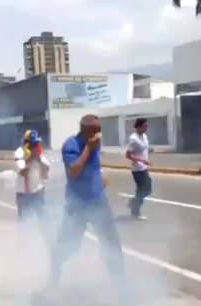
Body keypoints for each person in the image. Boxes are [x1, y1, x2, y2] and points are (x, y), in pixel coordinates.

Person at [46, 114, 132, 303]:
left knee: (111, 244)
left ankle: (123, 288)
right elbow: (74, 172)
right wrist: (88, 149)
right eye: (96, 130)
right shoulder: (71, 145)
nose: (100, 133)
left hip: (98, 201)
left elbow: (91, 166)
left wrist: (99, 177)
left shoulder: (95, 144)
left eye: (100, 129)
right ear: (86, 130)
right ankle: (52, 284)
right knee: (66, 246)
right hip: (77, 205)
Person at [14, 130, 50, 240]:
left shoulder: (39, 153)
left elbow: (46, 169)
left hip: (37, 190)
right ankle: (22, 243)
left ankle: (46, 241)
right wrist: (29, 159)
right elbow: (23, 172)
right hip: (23, 194)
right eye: (32, 144)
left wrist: (38, 159)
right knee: (23, 221)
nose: (35, 146)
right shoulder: (19, 153)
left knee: (43, 218)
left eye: (36, 144)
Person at [125, 118, 153, 220]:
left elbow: (142, 149)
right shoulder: (133, 139)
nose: (147, 127)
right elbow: (128, 155)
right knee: (144, 190)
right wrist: (141, 160)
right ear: (139, 126)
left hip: (144, 167)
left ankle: (133, 206)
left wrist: (148, 151)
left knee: (144, 190)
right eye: (145, 125)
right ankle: (134, 210)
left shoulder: (144, 136)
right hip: (137, 169)